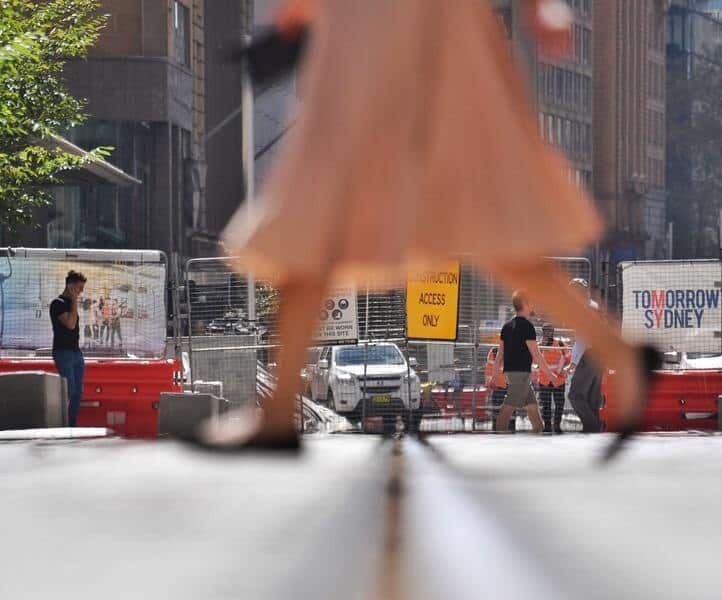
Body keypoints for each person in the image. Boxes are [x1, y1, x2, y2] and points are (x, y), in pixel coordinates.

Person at [205, 0, 650, 449]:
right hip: (409, 34)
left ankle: (278, 413)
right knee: (469, 226)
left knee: (321, 220)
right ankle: (619, 354)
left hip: (391, 38)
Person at [488, 291, 558, 433]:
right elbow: (537, 355)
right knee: (507, 408)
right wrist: (551, 375)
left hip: (513, 374)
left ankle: (538, 439)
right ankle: (496, 439)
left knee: (533, 411)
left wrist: (494, 376)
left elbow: (499, 355)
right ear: (525, 304)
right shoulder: (527, 327)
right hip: (519, 375)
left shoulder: (506, 326)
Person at [566, 278, 603, 433]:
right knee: (592, 398)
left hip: (588, 356)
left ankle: (593, 426)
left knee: (575, 395)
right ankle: (593, 430)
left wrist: (573, 362)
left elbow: (582, 338)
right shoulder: (594, 306)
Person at [50, 271, 87, 427]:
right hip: (63, 352)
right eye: (78, 288)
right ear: (70, 286)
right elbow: (71, 324)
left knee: (78, 393)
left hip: (76, 352)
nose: (80, 292)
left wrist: (73, 301)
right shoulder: (57, 303)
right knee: (69, 390)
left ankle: (71, 425)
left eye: (82, 289)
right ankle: (60, 423)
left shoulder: (71, 304)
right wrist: (73, 301)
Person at [536, 323, 569, 434]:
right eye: (546, 330)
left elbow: (568, 358)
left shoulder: (560, 344)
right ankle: (547, 426)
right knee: (546, 404)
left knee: (559, 404)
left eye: (550, 330)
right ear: (543, 332)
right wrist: (541, 348)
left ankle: (557, 426)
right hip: (544, 380)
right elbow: (535, 361)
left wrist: (564, 368)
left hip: (559, 380)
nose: (548, 333)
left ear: (553, 331)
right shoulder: (539, 345)